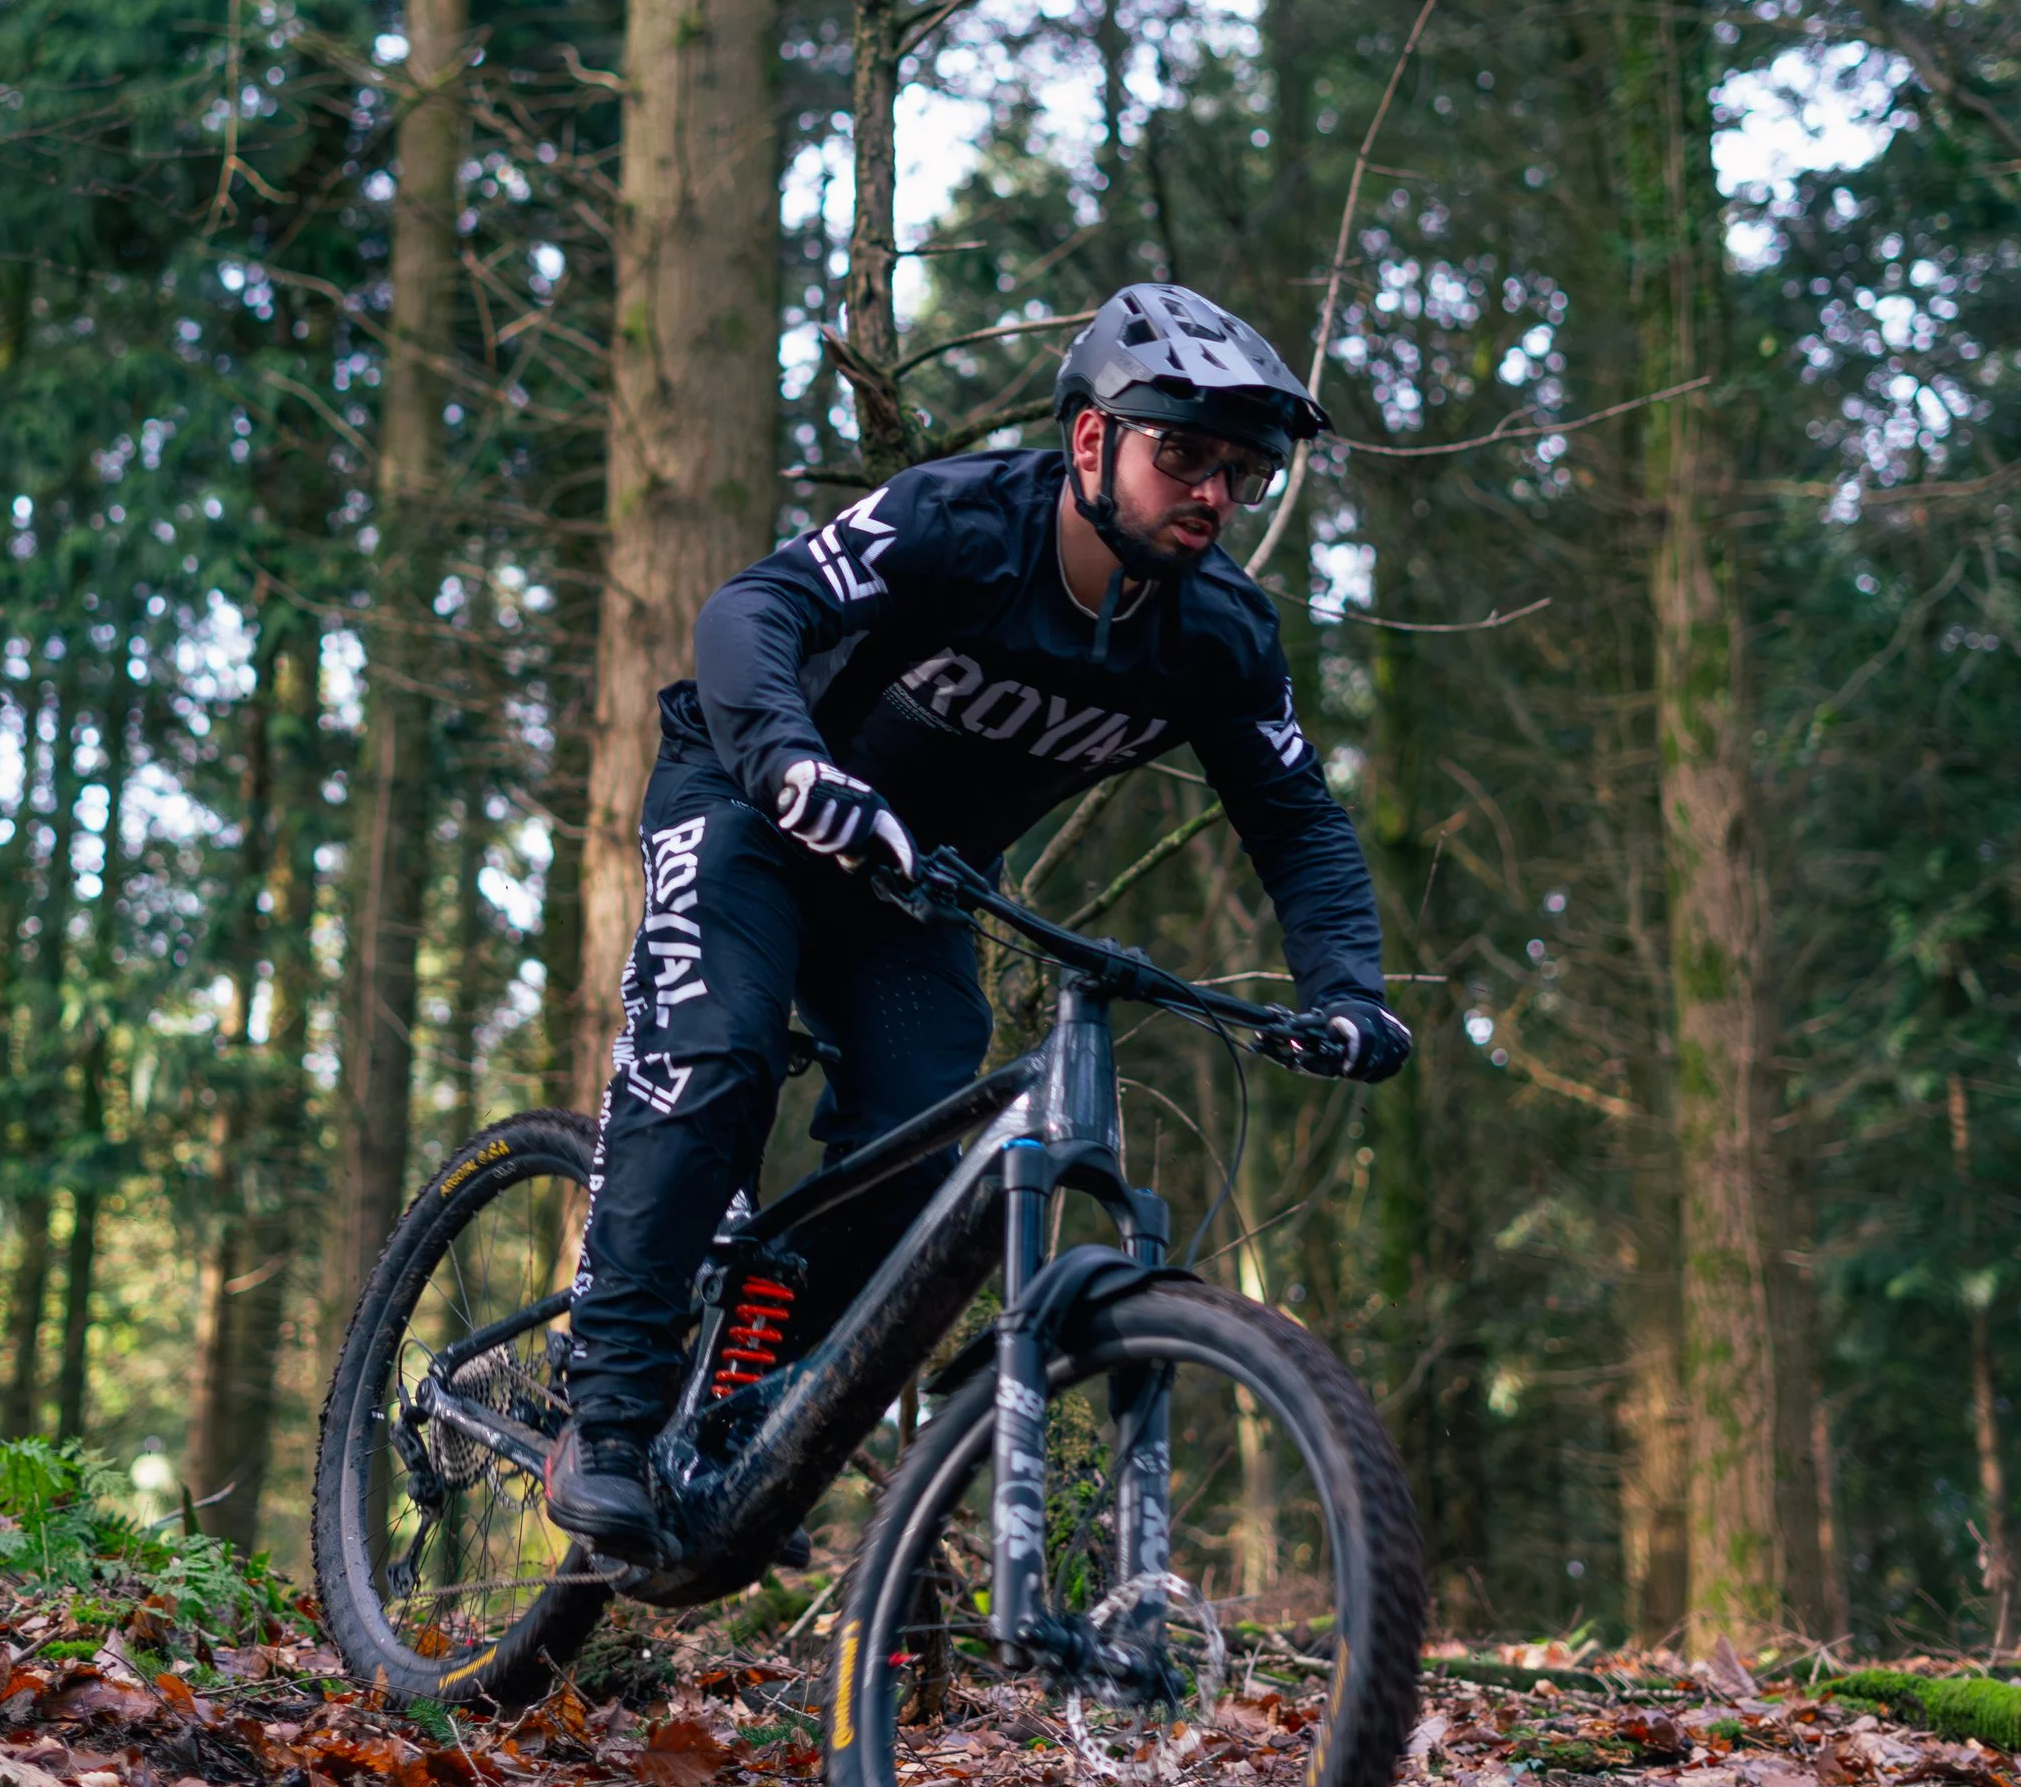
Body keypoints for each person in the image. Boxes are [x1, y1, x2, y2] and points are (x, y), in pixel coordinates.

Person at [543, 280, 1413, 1562]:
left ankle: (739, 1418)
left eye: (1245, 473)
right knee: (716, 1052)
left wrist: (1346, 991)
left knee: (920, 1159)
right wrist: (790, 762)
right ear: (1090, 439)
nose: (1216, 494)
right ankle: (608, 1415)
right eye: (1184, 454)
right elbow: (750, 611)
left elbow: (1296, 820)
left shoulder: (1218, 638)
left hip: (909, 883)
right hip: (748, 802)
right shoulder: (956, 522)